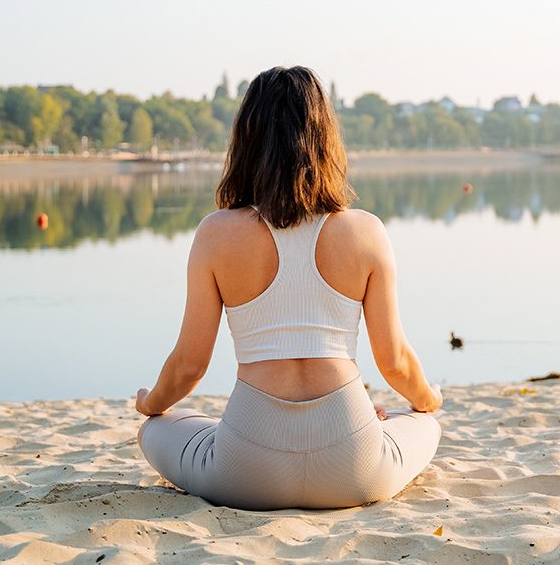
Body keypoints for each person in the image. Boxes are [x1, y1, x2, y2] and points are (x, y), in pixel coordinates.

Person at [135, 65, 443, 511]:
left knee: (158, 428)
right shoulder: (366, 232)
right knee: (423, 424)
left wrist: (151, 403)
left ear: (246, 139)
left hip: (246, 470)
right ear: (325, 139)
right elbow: (394, 363)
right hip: (354, 466)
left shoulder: (216, 233)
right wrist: (428, 400)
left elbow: (188, 366)